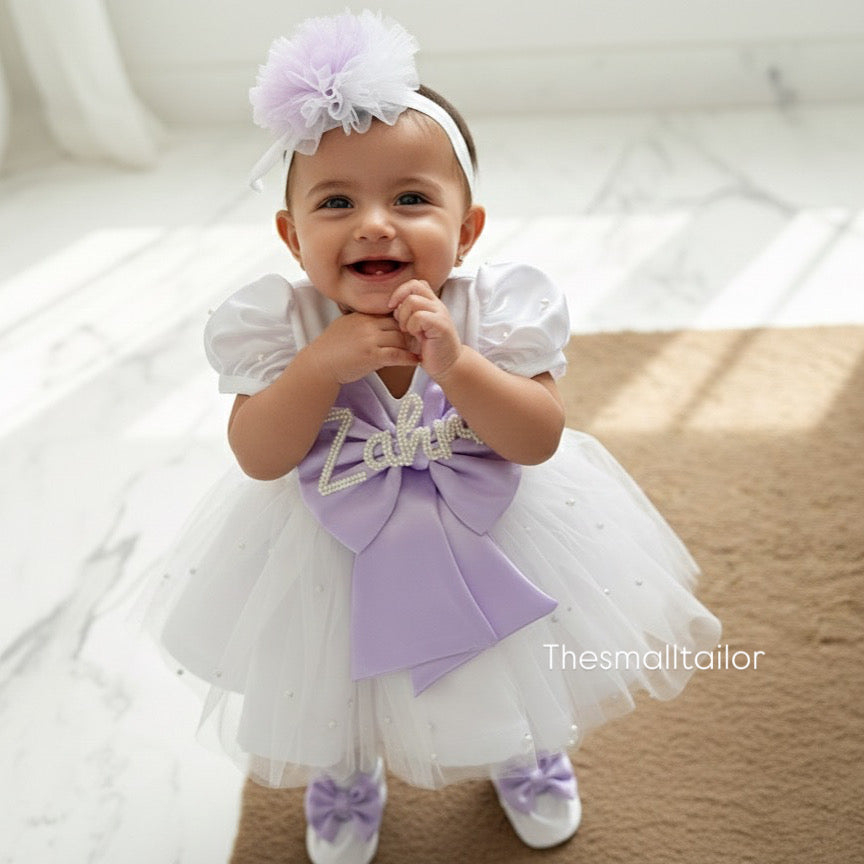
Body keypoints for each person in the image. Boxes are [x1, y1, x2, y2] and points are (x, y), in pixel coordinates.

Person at [146, 11, 722, 864]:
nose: (375, 223)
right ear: (292, 234)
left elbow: (536, 439)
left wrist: (459, 366)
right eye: (336, 202)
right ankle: (344, 768)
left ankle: (526, 747)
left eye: (411, 198)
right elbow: (258, 456)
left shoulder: (498, 311)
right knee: (336, 675)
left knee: (508, 653)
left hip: (496, 532)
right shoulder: (278, 324)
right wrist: (315, 370)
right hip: (325, 547)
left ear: (468, 228)